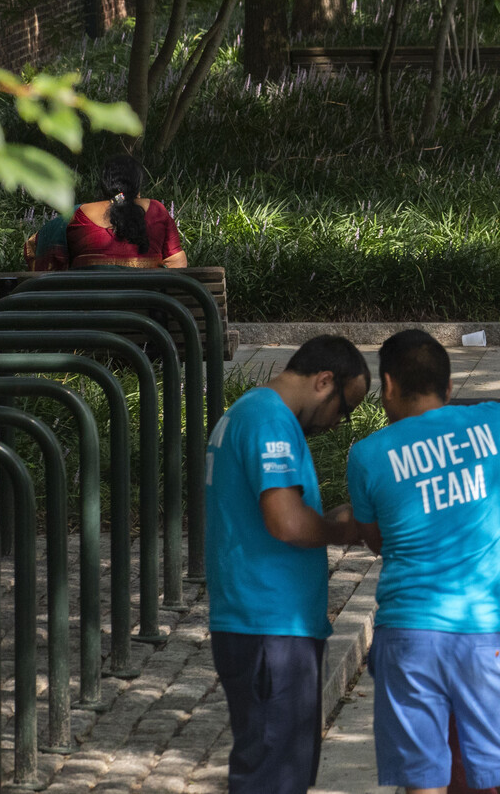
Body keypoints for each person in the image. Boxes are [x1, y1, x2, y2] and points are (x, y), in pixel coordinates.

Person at [346, 331, 500, 794]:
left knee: (424, 782)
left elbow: (378, 542)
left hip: (408, 636)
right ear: (449, 388)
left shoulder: (367, 456)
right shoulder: (496, 423)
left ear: (387, 385)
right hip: (483, 633)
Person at [206, 335, 370, 794]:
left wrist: (331, 518)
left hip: (263, 623)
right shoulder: (268, 418)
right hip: (269, 628)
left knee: (274, 767)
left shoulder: (252, 413)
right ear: (324, 381)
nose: (340, 423)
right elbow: (286, 522)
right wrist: (341, 531)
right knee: (276, 776)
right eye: (345, 408)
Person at [68, 154, 189, 268]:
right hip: (145, 290)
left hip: (93, 290)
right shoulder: (156, 210)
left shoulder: (81, 213)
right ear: (137, 184)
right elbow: (178, 263)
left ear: (105, 183)